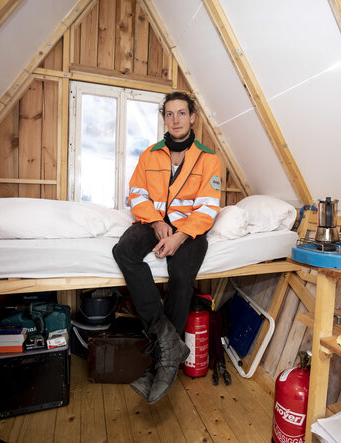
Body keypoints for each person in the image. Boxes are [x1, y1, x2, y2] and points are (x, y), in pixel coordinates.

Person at [112, 91, 222, 404]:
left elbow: (207, 208)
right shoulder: (149, 155)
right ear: (164, 119)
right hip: (152, 222)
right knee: (124, 251)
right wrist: (155, 222)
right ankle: (165, 339)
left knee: (181, 272)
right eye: (169, 114)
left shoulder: (209, 160)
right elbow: (136, 195)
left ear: (192, 118)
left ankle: (162, 363)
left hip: (190, 230)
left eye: (181, 113)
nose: (175, 119)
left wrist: (179, 235)